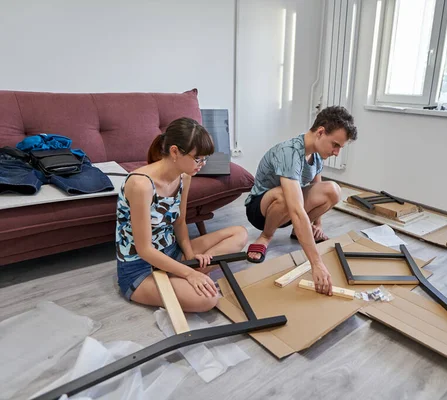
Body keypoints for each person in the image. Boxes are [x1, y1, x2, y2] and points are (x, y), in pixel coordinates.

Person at [115, 117, 248, 312]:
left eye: (205, 158)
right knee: (208, 300)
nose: (202, 164)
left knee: (240, 233)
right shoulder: (140, 185)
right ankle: (188, 277)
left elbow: (180, 222)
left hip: (172, 251)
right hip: (141, 267)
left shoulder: (184, 177)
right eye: (197, 158)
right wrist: (189, 273)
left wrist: (191, 256)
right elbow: (144, 250)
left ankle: (189, 274)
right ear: (175, 151)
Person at [245, 106, 358, 295]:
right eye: (335, 145)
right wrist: (317, 264)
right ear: (321, 132)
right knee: (284, 195)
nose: (337, 152)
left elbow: (316, 186)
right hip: (261, 210)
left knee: (333, 190)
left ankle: (299, 233)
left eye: (340, 147)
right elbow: (296, 208)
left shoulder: (317, 154)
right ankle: (266, 236)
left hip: (287, 210)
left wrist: (317, 224)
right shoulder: (289, 153)